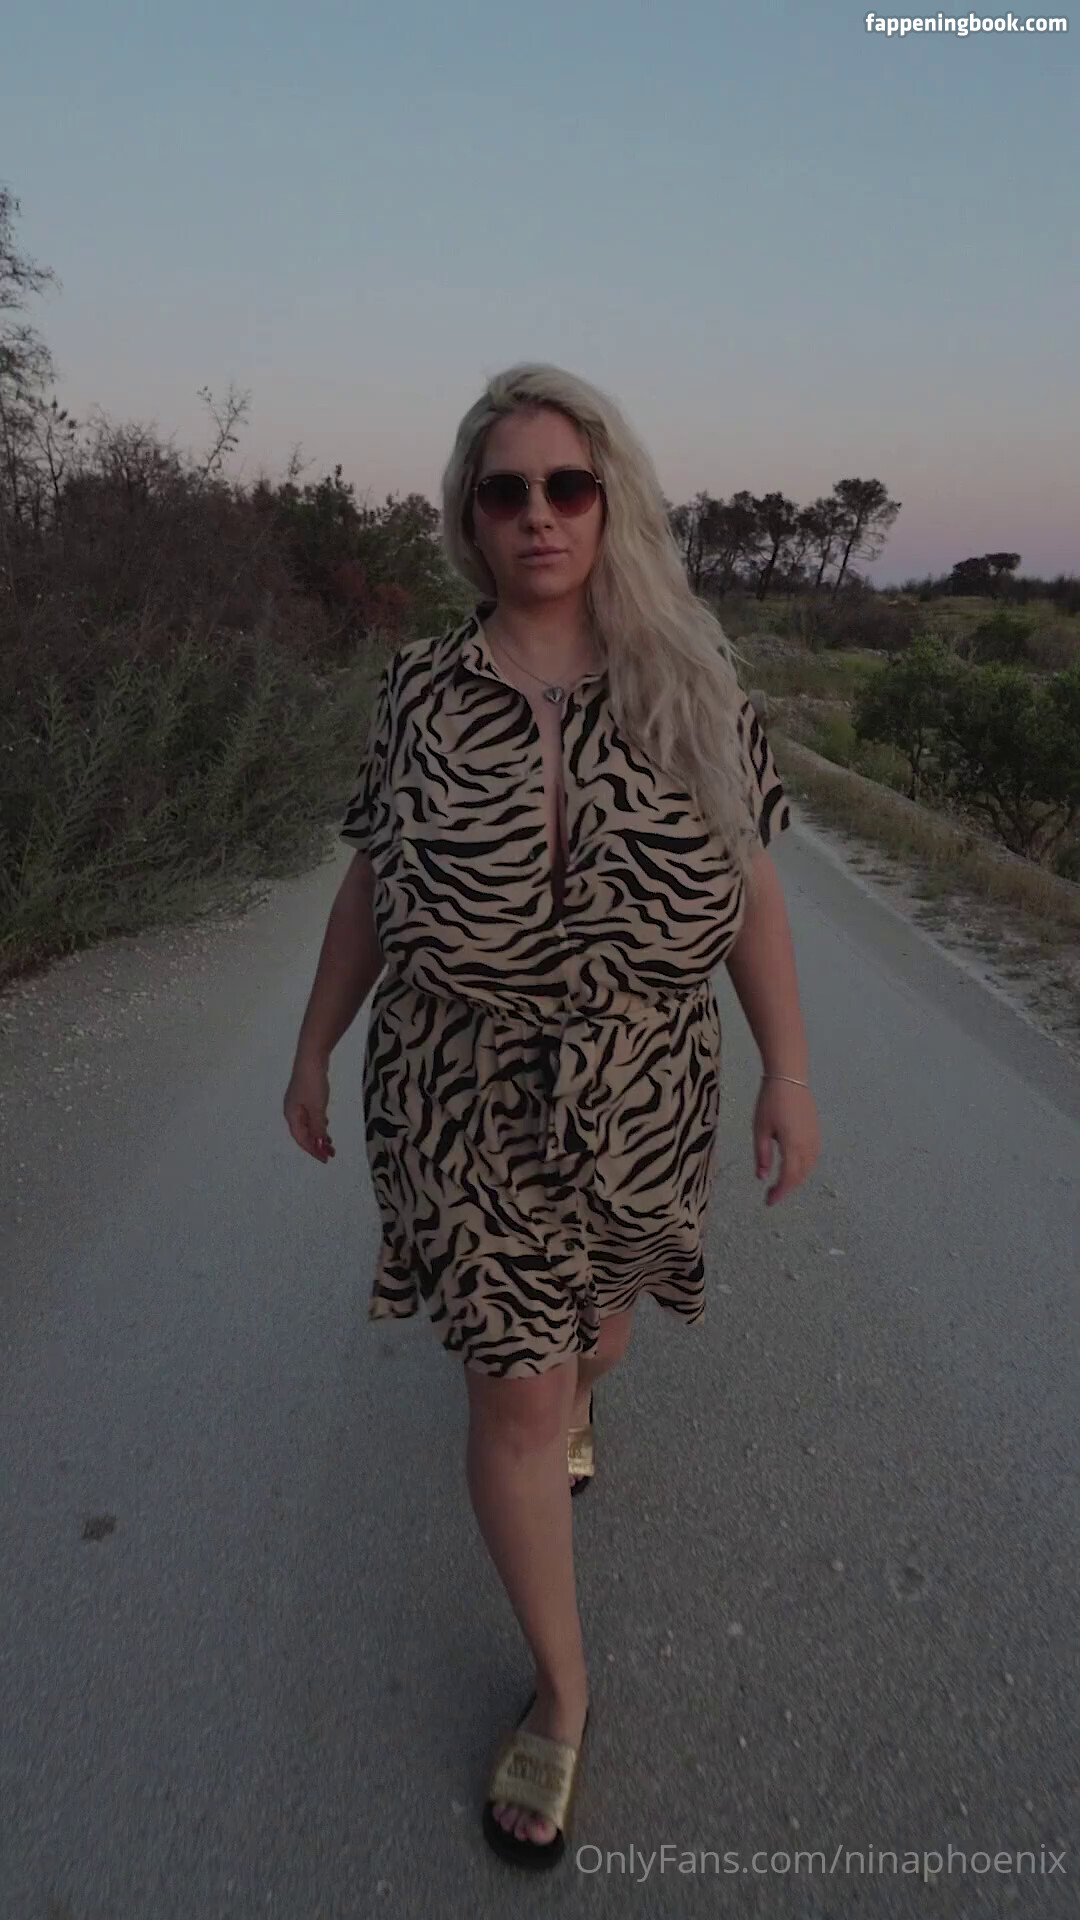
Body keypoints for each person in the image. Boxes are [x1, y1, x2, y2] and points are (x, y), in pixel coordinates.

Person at [283, 363, 820, 1870]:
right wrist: (313, 1046)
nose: (539, 514)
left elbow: (753, 888)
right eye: (506, 489)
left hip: (646, 1090)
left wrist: (787, 1070)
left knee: (598, 1334)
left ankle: (584, 1388)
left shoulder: (694, 681)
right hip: (461, 1095)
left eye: (567, 486)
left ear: (609, 502)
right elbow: (373, 881)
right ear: (469, 516)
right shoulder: (417, 691)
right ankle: (564, 1692)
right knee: (513, 1394)